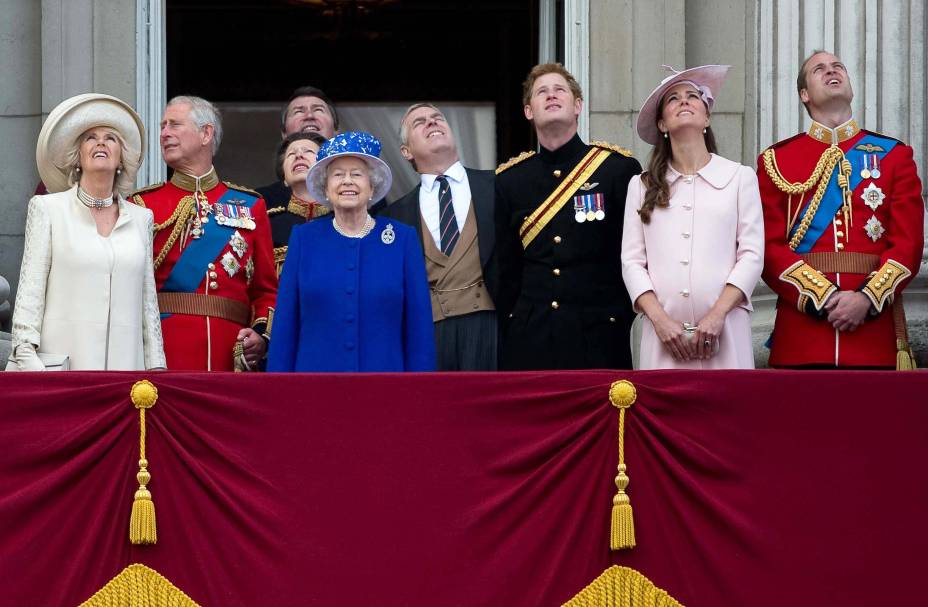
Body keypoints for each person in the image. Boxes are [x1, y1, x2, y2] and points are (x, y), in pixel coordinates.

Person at [757, 50, 924, 369]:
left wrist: (866, 298)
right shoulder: (776, 160)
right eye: (819, 69)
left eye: (838, 66)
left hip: (872, 332)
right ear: (804, 94)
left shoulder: (894, 156)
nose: (831, 71)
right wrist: (825, 297)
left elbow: (909, 245)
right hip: (803, 335)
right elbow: (768, 246)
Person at [495, 63, 642, 370]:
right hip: (530, 338)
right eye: (541, 92)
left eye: (559, 89)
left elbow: (633, 253)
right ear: (528, 111)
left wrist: (618, 315)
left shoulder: (616, 169)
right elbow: (505, 268)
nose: (551, 95)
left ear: (578, 106)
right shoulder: (509, 180)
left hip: (600, 334)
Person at [6, 93, 165, 371]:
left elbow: (148, 306)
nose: (101, 142)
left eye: (111, 138)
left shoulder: (142, 218)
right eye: (90, 137)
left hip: (126, 376)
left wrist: (156, 368)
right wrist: (26, 356)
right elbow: (31, 290)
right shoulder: (48, 209)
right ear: (78, 156)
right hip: (60, 374)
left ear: (121, 159)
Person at [621, 66, 764, 369]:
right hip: (663, 338)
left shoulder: (740, 177)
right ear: (662, 122)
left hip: (725, 332)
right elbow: (632, 262)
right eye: (673, 98)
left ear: (707, 117)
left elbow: (751, 255)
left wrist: (717, 315)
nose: (683, 101)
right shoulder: (641, 185)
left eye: (692, 96)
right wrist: (660, 320)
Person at [267, 131, 435, 372]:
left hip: (385, 386)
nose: (347, 181)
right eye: (338, 175)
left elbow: (419, 327)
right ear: (326, 188)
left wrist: (419, 392)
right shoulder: (304, 239)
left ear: (372, 186)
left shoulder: (402, 239)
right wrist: (279, 391)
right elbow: (285, 324)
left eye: (357, 174)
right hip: (314, 387)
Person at [132, 95, 277, 371]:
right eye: (163, 126)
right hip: (163, 353)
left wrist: (260, 335)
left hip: (230, 353)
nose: (164, 133)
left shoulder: (251, 205)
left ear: (206, 133)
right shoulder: (141, 205)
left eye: (174, 124)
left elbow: (265, 290)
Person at [380, 103, 498, 370]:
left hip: (491, 328)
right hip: (428, 334)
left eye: (437, 118)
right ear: (406, 151)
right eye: (419, 122)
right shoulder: (393, 216)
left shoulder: (498, 185)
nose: (431, 122)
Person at [256, 86, 338, 208]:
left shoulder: (359, 196)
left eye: (319, 110)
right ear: (284, 133)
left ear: (336, 131)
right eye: (298, 111)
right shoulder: (261, 201)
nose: (309, 115)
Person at [268, 131, 330, 276]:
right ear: (284, 178)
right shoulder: (267, 224)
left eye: (308, 151)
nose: (298, 155)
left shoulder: (343, 220)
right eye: (291, 154)